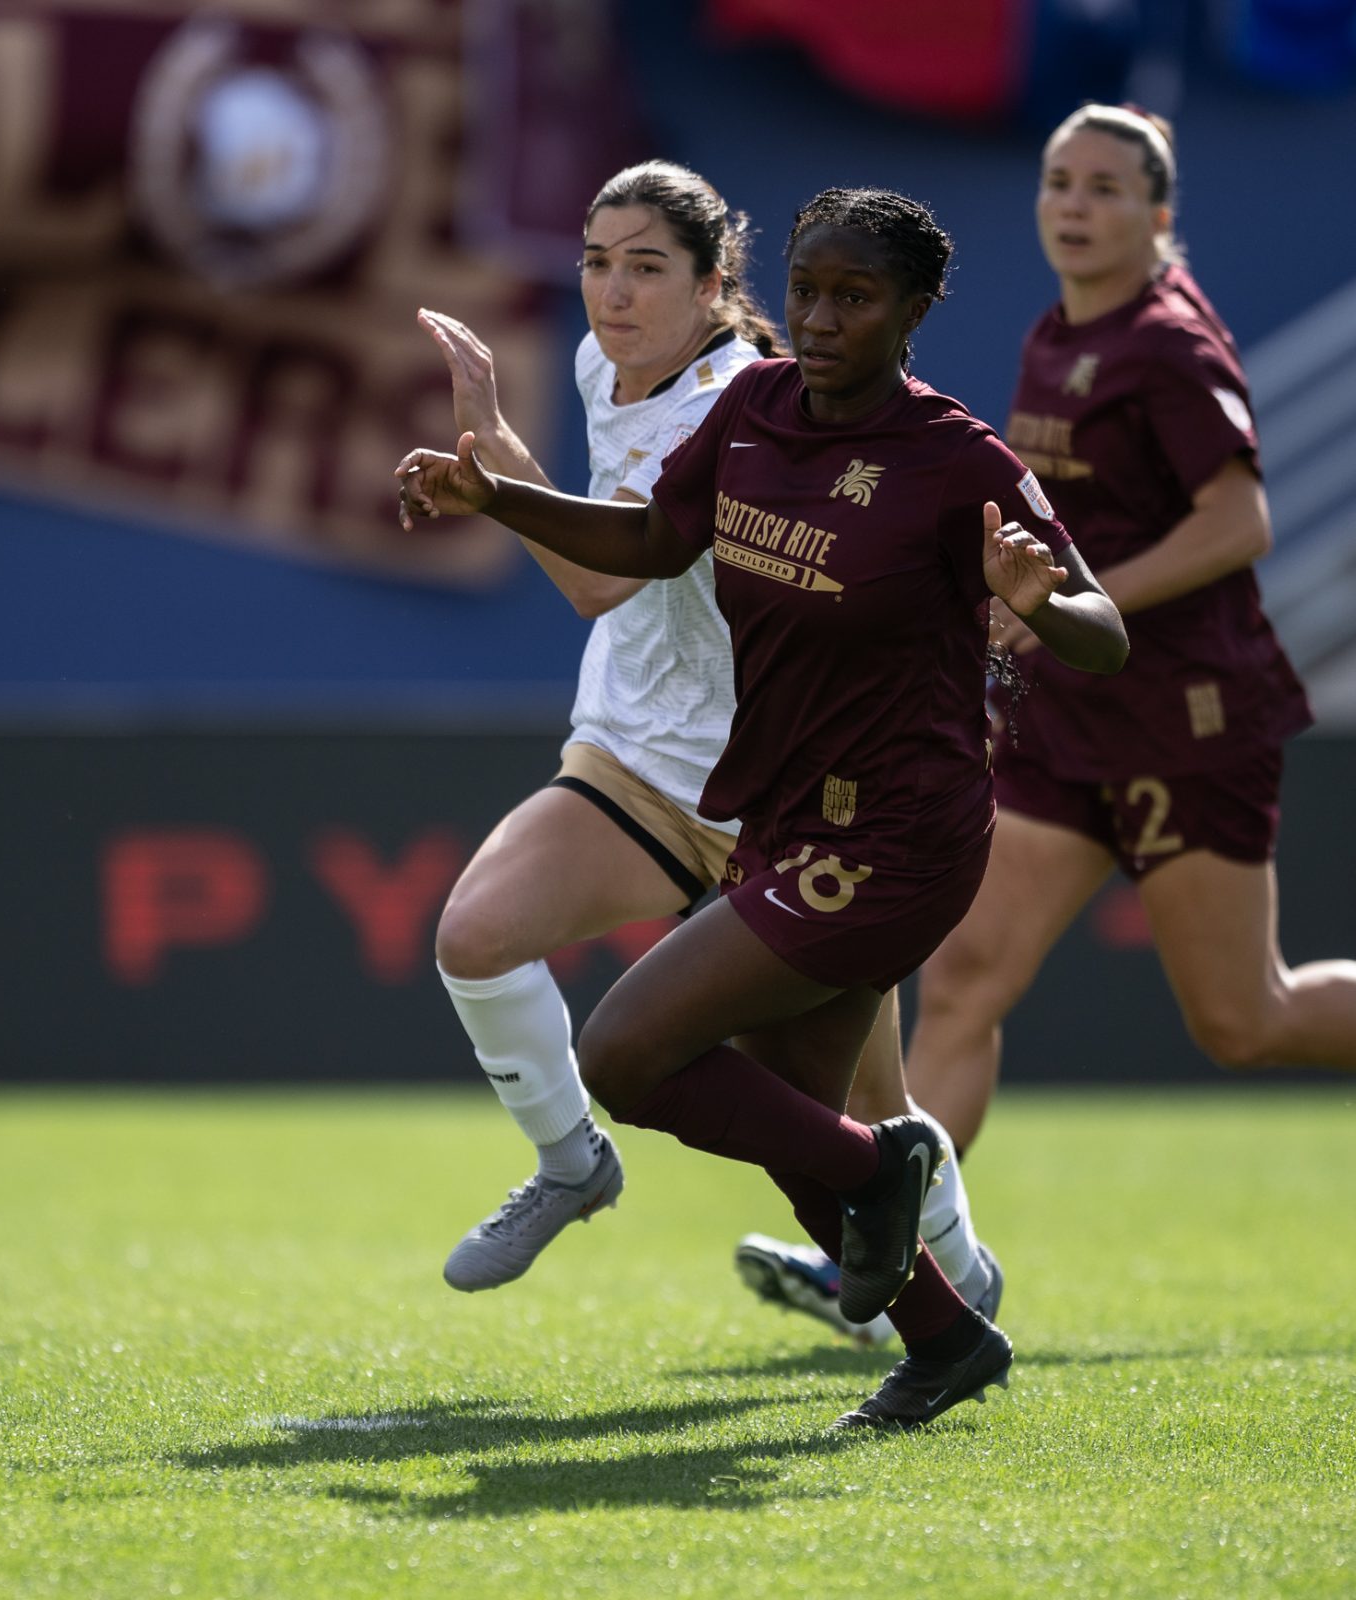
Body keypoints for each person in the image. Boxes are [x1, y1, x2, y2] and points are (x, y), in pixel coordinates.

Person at [398, 188, 1129, 1430]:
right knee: (791, 1111)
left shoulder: (958, 460)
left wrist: (1040, 601)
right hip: (786, 814)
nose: (826, 317)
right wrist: (498, 495)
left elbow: (1103, 633)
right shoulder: (752, 410)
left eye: (858, 297)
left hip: (899, 833)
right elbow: (643, 547)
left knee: (629, 1053)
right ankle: (948, 1339)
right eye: (811, 291)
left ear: (913, 311)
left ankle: (888, 1167)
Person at [883, 105, 1356, 1198]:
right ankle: (889, 1256)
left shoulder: (1167, 342)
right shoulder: (1057, 329)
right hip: (1072, 712)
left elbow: (1237, 522)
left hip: (1185, 714)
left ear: (1158, 215)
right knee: (964, 977)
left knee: (1245, 1018)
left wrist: (1080, 596)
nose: (1073, 203)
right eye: (1060, 180)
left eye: (1105, 187)